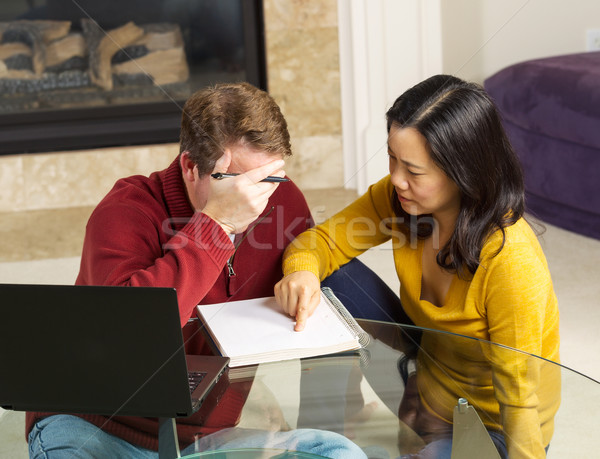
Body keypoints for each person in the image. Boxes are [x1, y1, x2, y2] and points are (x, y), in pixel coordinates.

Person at [26, 82, 367, 459]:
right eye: (240, 183)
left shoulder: (281, 199)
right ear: (190, 167)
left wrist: (304, 272)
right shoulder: (125, 211)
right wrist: (216, 226)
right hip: (96, 425)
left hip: (200, 440)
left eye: (270, 178)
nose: (258, 199)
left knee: (337, 452)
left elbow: (309, 260)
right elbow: (127, 332)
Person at [275, 74, 561, 458]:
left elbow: (519, 396)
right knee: (326, 282)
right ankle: (318, 441)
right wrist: (302, 271)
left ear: (464, 172)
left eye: (414, 171)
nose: (396, 179)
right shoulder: (399, 199)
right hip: (423, 371)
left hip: (490, 426)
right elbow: (321, 241)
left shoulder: (511, 259)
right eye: (392, 157)